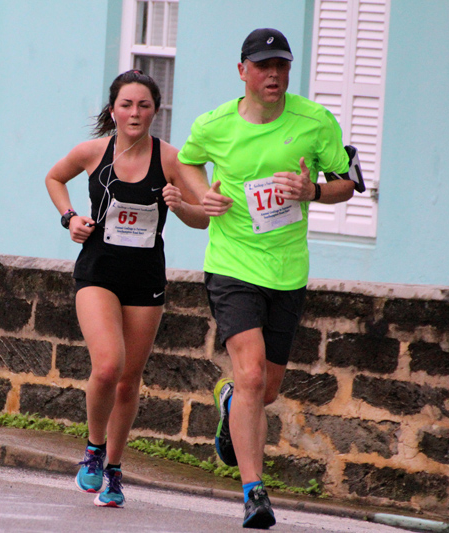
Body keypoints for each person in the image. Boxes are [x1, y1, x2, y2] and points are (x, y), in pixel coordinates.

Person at [177, 28, 356, 528]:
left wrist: (313, 191)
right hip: (232, 264)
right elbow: (187, 162)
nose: (273, 74)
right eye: (263, 66)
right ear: (243, 71)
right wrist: (203, 195)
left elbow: (348, 184)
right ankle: (254, 493)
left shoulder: (315, 121)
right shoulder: (214, 124)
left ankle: (230, 401)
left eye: (281, 65)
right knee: (252, 373)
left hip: (287, 270)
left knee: (265, 389)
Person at [46, 70, 208, 507]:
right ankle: (94, 448)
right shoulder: (92, 152)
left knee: (128, 380)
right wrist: (70, 218)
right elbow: (54, 178)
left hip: (145, 278)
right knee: (107, 366)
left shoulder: (171, 159)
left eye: (144, 105)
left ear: (155, 111)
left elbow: (203, 217)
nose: (135, 113)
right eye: (126, 104)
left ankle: (114, 471)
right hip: (98, 272)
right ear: (113, 109)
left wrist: (181, 205)